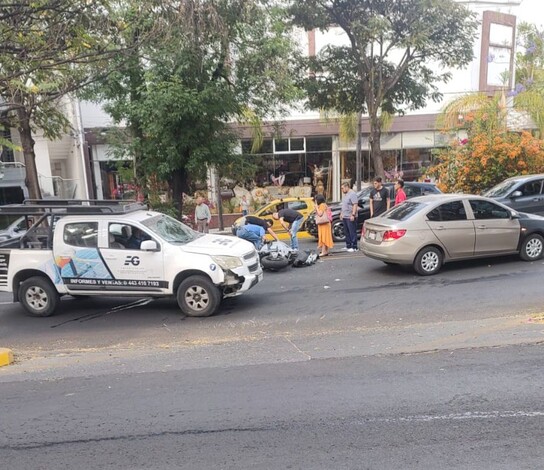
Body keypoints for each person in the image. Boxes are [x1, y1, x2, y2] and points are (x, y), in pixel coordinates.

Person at [340, 182, 358, 252]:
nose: (342, 190)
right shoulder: (345, 195)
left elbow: (355, 204)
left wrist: (353, 214)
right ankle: (348, 245)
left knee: (352, 231)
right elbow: (344, 205)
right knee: (346, 232)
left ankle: (354, 247)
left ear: (346, 187)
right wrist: (341, 213)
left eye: (342, 188)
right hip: (345, 215)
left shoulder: (352, 194)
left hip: (350, 216)